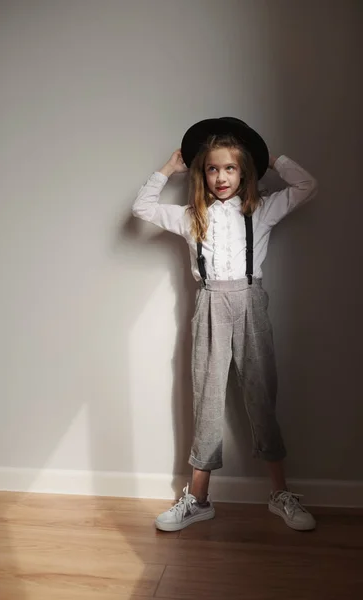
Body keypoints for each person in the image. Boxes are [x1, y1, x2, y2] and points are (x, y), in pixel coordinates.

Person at [132, 117, 318, 532]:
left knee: (262, 398)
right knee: (208, 401)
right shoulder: (190, 216)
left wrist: (273, 160)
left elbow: (307, 186)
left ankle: (279, 493)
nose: (221, 176)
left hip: (252, 304)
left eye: (231, 168)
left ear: (244, 171)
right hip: (211, 303)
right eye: (213, 168)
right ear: (202, 172)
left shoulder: (262, 209)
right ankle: (198, 499)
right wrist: (167, 169)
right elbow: (141, 209)